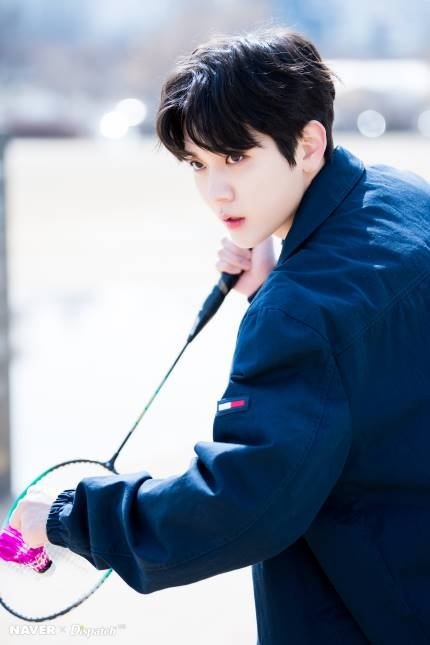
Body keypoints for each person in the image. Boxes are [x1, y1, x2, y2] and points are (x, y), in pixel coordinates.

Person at [10, 26, 430, 644]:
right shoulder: (403, 197)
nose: (216, 191)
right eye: (197, 164)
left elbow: (239, 502)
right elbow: (363, 370)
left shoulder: (300, 310)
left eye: (236, 157)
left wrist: (69, 517)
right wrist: (270, 285)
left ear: (308, 143)